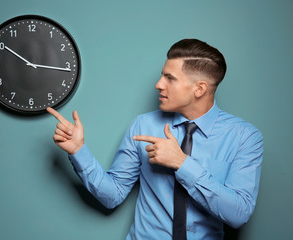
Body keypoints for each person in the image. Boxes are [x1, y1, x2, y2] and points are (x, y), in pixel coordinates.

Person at [47, 39, 263, 240]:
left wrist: (181, 163)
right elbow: (112, 195)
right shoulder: (143, 126)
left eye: (170, 78)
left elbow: (238, 214)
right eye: (162, 75)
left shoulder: (245, 137)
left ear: (199, 89)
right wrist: (78, 151)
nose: (159, 84)